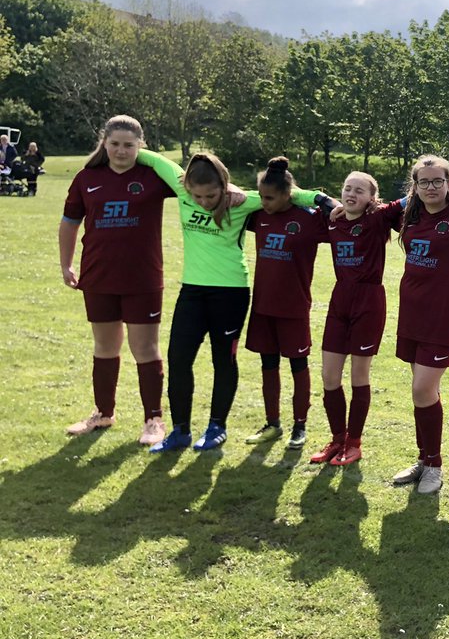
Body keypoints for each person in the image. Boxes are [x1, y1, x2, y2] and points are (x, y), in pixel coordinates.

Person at [135, 147, 331, 453]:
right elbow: (149, 156)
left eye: (211, 196)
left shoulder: (242, 202)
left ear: (223, 187)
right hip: (192, 291)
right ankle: (181, 431)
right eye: (197, 197)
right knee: (178, 358)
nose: (203, 202)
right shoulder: (181, 187)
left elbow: (289, 194)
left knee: (222, 360)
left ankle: (217, 427)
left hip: (230, 292)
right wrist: (116, 149)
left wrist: (321, 199)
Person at [59, 116, 174, 445]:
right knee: (105, 346)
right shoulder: (87, 178)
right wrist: (66, 265)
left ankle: (154, 420)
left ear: (141, 145)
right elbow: (69, 223)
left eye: (129, 145)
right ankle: (103, 413)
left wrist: (152, 158)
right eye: (115, 144)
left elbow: (191, 183)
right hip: (98, 276)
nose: (121, 151)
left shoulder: (153, 177)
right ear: (104, 143)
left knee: (145, 348)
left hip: (143, 278)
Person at [390, 155, 449, 495]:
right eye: (424, 182)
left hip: (444, 319)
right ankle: (424, 458)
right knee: (421, 391)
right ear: (414, 187)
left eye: (438, 181)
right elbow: (374, 208)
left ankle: (434, 465)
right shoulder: (409, 216)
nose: (431, 188)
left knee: (422, 389)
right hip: (411, 316)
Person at [309, 171, 404, 467]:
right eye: (348, 188)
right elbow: (301, 195)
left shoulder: (377, 220)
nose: (352, 194)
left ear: (371, 198)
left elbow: (410, 198)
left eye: (360, 191)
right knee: (329, 376)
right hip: (340, 301)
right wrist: (326, 201)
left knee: (359, 375)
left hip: (369, 301)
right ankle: (337, 438)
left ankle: (354, 442)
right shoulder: (333, 220)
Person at [242, 157, 327, 450]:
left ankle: (299, 426)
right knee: (268, 365)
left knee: (298, 366)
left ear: (287, 194)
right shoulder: (257, 216)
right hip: (263, 306)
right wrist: (259, 199)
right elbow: (236, 199)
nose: (264, 202)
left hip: (294, 307)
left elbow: (341, 213)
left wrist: (312, 196)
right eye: (261, 196)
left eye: (270, 197)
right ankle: (272, 423)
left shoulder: (309, 218)